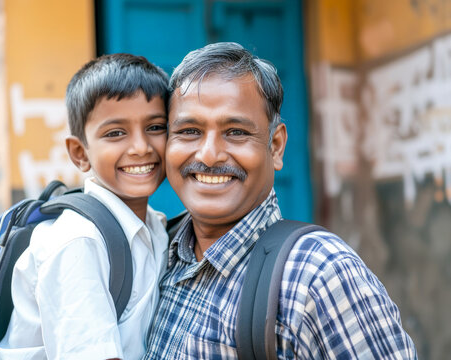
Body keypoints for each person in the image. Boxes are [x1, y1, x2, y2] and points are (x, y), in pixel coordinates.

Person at [144, 42, 417, 359]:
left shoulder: (319, 275)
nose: (208, 154)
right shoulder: (157, 251)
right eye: (189, 131)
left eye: (236, 132)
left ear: (275, 147)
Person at [0, 54, 170, 360]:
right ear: (80, 153)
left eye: (156, 127)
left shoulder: (156, 226)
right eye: (115, 133)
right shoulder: (78, 240)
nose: (141, 147)